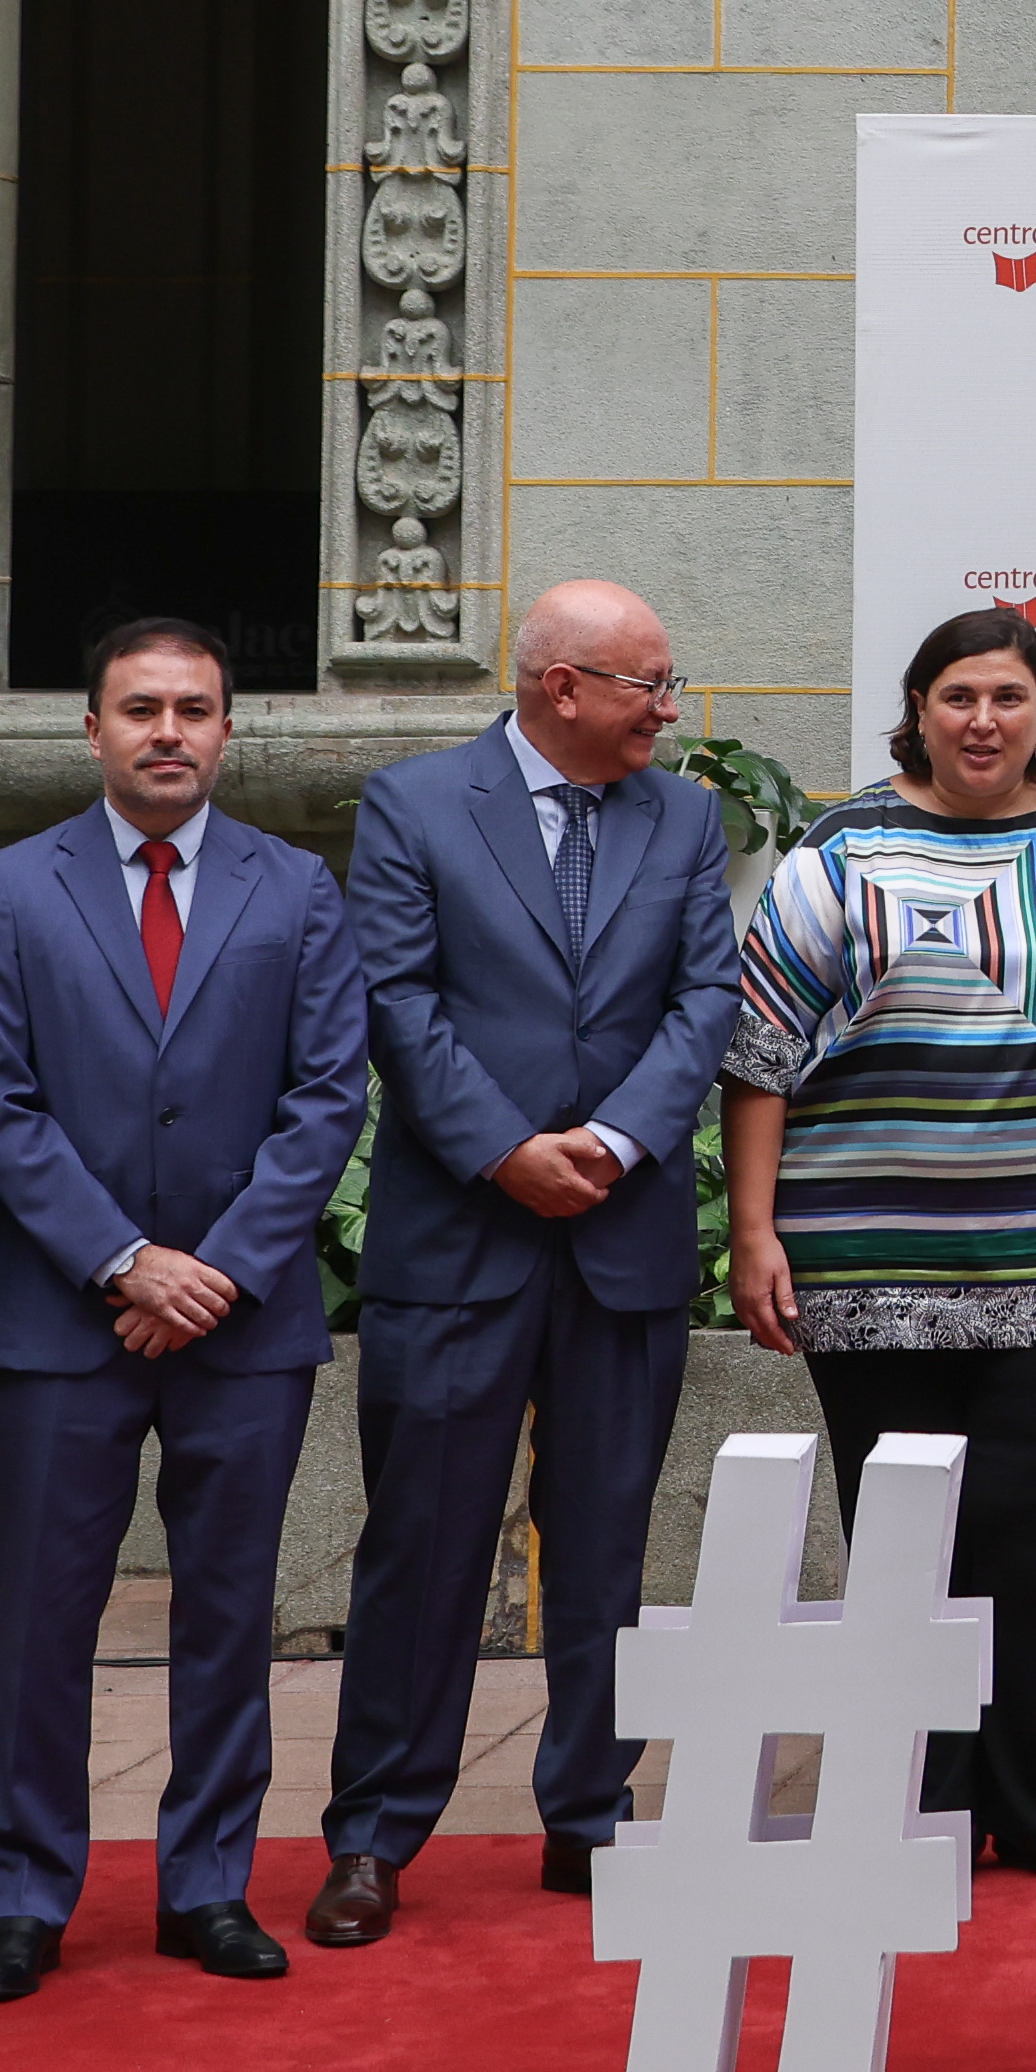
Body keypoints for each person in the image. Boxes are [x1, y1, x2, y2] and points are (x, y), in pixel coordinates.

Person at [0, 616, 369, 2005]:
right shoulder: (9, 889)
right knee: (44, 1618)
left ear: (228, 732)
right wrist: (127, 1261)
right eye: (140, 708)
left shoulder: (298, 889)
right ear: (93, 730)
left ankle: (209, 1886)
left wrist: (218, 1269)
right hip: (72, 1319)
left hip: (246, 1322)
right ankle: (20, 1896)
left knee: (227, 1612)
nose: (168, 731)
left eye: (193, 709)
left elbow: (326, 1101)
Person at [309, 578, 745, 1944]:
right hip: (460, 1236)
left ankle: (590, 1818)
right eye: (649, 688)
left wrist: (614, 1140)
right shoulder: (416, 807)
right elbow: (398, 999)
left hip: (623, 1237)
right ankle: (377, 1834)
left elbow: (706, 998)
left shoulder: (681, 817)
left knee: (606, 1547)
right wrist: (506, 1150)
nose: (668, 715)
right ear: (563, 686)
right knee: (422, 1547)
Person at [727, 604, 1036, 1882]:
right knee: (907, 1537)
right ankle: (922, 1799)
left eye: (1007, 696)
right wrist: (754, 1230)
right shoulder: (839, 844)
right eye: (956, 696)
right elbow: (760, 1044)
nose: (983, 719)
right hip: (864, 1254)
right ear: (918, 711)